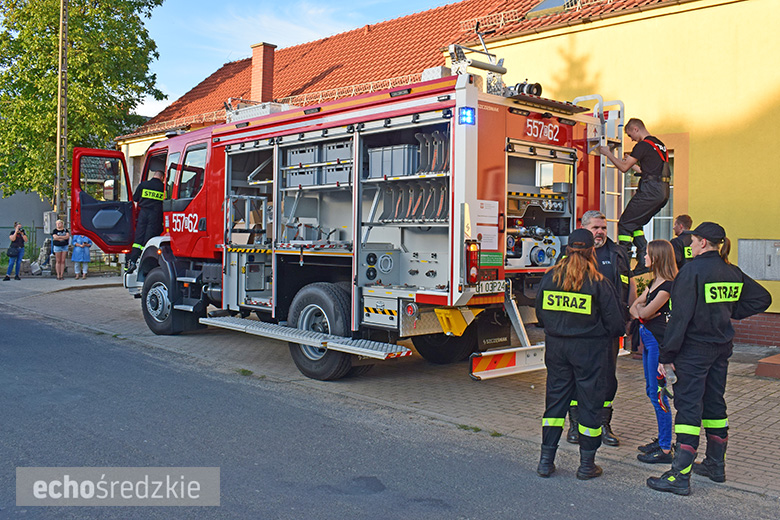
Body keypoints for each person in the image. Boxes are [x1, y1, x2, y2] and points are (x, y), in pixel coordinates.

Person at [647, 222, 771, 496]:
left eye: (692, 241)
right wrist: (729, 312)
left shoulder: (691, 271)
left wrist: (667, 356)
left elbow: (679, 319)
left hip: (694, 351)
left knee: (689, 408)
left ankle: (679, 476)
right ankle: (716, 465)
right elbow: (763, 298)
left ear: (703, 242)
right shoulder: (731, 271)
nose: (689, 246)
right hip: (721, 348)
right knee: (715, 404)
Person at [535, 228, 625, 479]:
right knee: (590, 405)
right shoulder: (599, 283)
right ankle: (587, 465)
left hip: (556, 349)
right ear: (591, 251)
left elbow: (540, 315)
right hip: (589, 351)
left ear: (567, 250)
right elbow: (616, 324)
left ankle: (546, 461)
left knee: (555, 402)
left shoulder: (550, 277)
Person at [566, 210, 635, 447]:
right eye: (596, 228)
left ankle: (603, 425)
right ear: (584, 227)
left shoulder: (617, 253)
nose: (600, 232)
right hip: (580, 331)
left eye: (604, 228)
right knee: (576, 377)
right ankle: (575, 426)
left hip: (608, 330)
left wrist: (629, 315)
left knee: (607, 379)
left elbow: (628, 284)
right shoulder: (572, 255)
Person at [599, 118, 670, 275]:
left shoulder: (642, 145)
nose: (631, 139)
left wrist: (608, 153)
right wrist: (636, 167)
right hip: (662, 191)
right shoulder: (660, 145)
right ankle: (644, 257)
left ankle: (622, 260)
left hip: (650, 191)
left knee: (624, 224)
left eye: (630, 134)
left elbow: (624, 168)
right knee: (635, 223)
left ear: (636, 129)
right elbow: (652, 170)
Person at [629, 240, 677, 464]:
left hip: (657, 344)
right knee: (651, 391)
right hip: (648, 342)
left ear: (657, 257)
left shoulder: (667, 286)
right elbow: (634, 310)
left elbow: (645, 312)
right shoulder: (654, 282)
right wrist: (642, 312)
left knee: (658, 394)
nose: (644, 258)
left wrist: (642, 312)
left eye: (647, 255)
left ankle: (666, 448)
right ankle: (662, 439)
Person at [125, 170, 165, 273]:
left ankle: (133, 261)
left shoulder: (143, 185)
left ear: (154, 175)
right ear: (162, 178)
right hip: (156, 216)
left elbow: (135, 198)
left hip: (143, 213)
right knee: (149, 238)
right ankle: (145, 260)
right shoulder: (163, 188)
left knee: (138, 237)